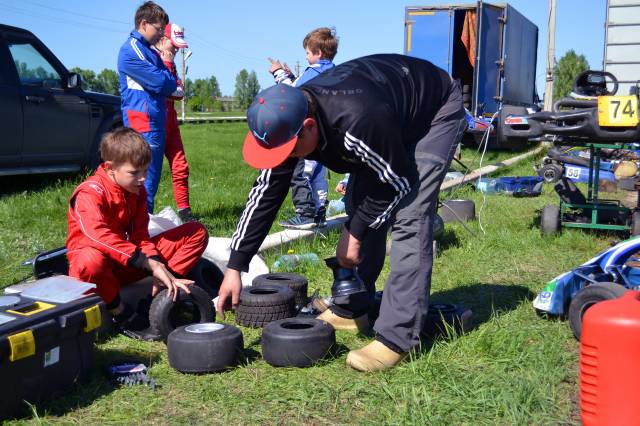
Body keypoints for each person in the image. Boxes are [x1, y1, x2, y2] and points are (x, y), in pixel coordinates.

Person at [217, 54, 466, 372]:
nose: (286, 159)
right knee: (358, 204)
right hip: (386, 117)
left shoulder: (357, 121)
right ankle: (353, 308)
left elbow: (397, 180)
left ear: (308, 127)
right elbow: (266, 194)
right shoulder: (290, 122)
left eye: (289, 151)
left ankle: (397, 338)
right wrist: (235, 265)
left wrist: (355, 231)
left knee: (410, 216)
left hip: (433, 112)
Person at [66, 128, 208, 330]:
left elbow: (140, 235)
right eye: (134, 172)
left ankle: (162, 289)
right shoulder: (90, 193)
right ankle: (119, 312)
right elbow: (96, 235)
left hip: (124, 261)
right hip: (96, 269)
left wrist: (156, 263)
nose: (143, 179)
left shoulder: (135, 191)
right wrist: (144, 261)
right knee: (91, 260)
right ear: (110, 168)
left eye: (145, 171)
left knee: (195, 232)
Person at [268, 27, 338, 229]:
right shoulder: (335, 72)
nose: (306, 57)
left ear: (318, 53)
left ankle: (305, 213)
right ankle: (319, 211)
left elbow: (291, 93)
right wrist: (293, 76)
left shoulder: (314, 71)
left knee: (301, 173)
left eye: (307, 52)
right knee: (318, 175)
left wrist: (278, 72)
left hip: (308, 133)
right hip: (326, 133)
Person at [117, 1, 178, 213]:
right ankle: (139, 227)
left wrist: (166, 79)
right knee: (143, 185)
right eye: (159, 29)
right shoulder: (131, 50)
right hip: (143, 125)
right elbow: (163, 83)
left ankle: (143, 224)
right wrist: (166, 78)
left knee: (149, 185)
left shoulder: (149, 51)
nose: (161, 35)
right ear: (144, 24)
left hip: (155, 122)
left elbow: (172, 84)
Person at [154, 22, 195, 223]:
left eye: (179, 47)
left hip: (171, 122)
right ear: (162, 39)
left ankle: (185, 212)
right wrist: (168, 66)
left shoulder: (170, 61)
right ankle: (142, 214)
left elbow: (179, 93)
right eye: (174, 45)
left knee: (181, 166)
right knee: (150, 171)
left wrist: (170, 68)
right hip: (155, 122)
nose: (177, 50)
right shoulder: (152, 59)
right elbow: (165, 88)